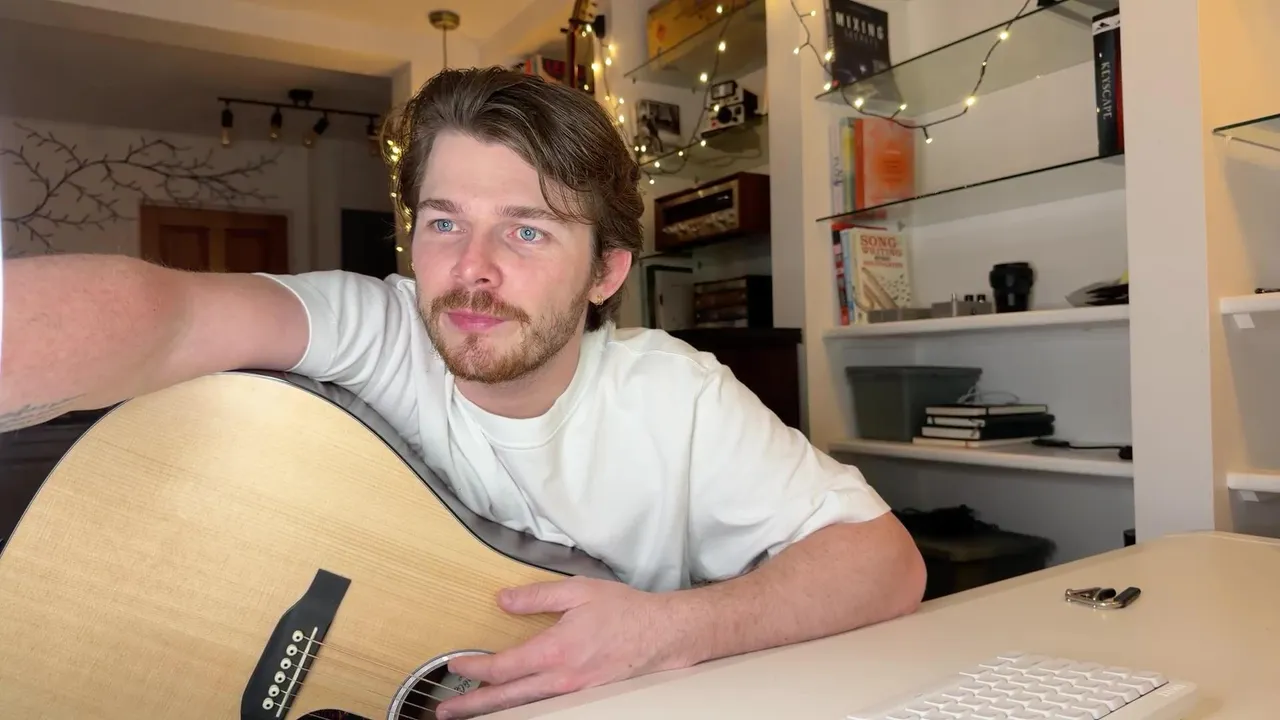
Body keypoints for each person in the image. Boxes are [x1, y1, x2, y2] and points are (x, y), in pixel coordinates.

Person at [0, 66, 925, 718]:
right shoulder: (378, 330)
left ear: (606, 271)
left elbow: (888, 564)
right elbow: (163, 316)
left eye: (526, 231)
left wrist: (672, 628)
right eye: (445, 223)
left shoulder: (675, 399)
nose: (471, 270)